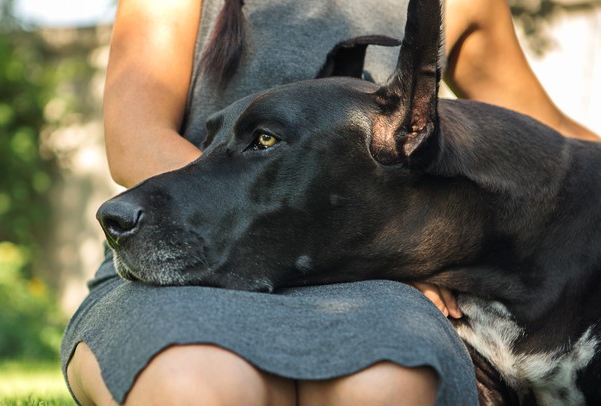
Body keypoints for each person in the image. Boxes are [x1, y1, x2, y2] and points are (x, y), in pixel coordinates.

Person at [63, 0, 599, 404]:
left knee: (384, 387)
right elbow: (133, 138)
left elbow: (551, 144)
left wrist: (375, 241)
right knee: (201, 384)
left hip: (373, 281)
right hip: (190, 251)